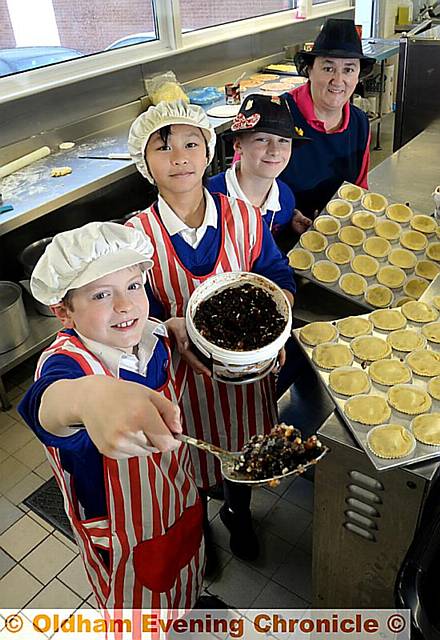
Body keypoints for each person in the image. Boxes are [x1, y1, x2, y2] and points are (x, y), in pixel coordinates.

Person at [127, 100, 296, 565]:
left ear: (210, 152)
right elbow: (131, 319)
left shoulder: (242, 217)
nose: (179, 157)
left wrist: (277, 330)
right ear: (145, 162)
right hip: (184, 385)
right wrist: (167, 324)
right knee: (194, 462)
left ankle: (237, 513)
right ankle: (198, 522)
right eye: (163, 148)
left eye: (190, 144)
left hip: (249, 379)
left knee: (243, 456)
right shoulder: (135, 238)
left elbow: (277, 277)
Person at [17, 222, 205, 613]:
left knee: (184, 570)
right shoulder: (66, 366)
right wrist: (90, 396)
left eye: (134, 286)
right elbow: (47, 404)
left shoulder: (149, 335)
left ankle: (185, 610)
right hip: (120, 525)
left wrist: (171, 326)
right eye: (102, 294)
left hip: (175, 489)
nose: (125, 305)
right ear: (63, 311)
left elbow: (155, 327)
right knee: (138, 606)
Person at [280, 18, 376, 219]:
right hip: (277, 234)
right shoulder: (279, 113)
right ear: (310, 70)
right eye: (328, 68)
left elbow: (359, 188)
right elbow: (245, 188)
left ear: (358, 75)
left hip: (336, 232)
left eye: (348, 69)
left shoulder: (359, 123)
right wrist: (287, 215)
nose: (338, 80)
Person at [208, 93, 312, 240]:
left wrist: (289, 228)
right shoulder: (207, 198)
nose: (274, 150)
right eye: (262, 139)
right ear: (238, 145)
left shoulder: (285, 199)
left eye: (283, 141)